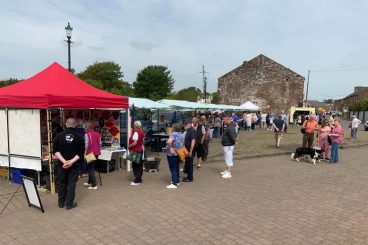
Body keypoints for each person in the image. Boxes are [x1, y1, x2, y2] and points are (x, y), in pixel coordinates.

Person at [53, 118, 85, 210]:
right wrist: (71, 162)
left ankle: (61, 203)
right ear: (75, 125)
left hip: (61, 164)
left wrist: (64, 162)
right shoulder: (79, 137)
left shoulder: (59, 136)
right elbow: (81, 153)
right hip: (74, 165)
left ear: (66, 124)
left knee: (62, 182)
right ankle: (69, 204)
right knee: (71, 183)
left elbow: (55, 151)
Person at [83, 122, 101, 190]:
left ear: (87, 128)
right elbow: (100, 144)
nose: (84, 129)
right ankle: (89, 182)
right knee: (90, 167)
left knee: (90, 168)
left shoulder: (87, 134)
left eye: (84, 127)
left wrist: (84, 154)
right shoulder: (97, 134)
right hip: (96, 152)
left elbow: (86, 145)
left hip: (90, 153)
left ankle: (94, 185)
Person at [166, 124, 184, 189]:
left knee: (173, 168)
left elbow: (168, 142)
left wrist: (171, 147)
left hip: (172, 154)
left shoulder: (173, 134)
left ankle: (174, 183)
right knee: (176, 167)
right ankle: (177, 180)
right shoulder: (181, 134)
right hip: (178, 153)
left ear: (174, 128)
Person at [128, 121, 145, 186]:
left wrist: (129, 146)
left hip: (135, 150)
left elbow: (135, 143)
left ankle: (137, 180)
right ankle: (139, 178)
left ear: (135, 126)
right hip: (140, 149)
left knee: (135, 165)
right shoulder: (142, 132)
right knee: (140, 165)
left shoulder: (136, 133)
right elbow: (142, 142)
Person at [221, 114, 237, 179]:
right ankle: (227, 170)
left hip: (229, 145)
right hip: (227, 145)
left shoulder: (230, 127)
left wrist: (234, 142)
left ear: (228, 119)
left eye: (224, 120)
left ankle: (229, 172)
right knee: (227, 157)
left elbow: (232, 136)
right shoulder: (229, 126)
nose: (223, 121)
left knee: (229, 158)